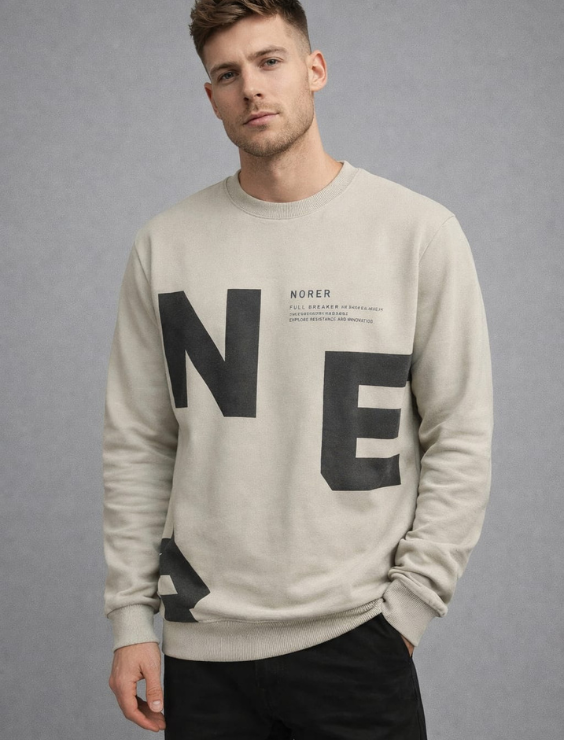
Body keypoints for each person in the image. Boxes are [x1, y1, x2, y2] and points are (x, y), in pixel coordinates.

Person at [103, 1, 494, 738]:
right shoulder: (166, 246)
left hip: (355, 638)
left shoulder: (417, 233)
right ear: (211, 96)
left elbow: (460, 436)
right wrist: (130, 619)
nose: (251, 87)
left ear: (315, 69)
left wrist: (408, 610)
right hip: (202, 651)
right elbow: (141, 443)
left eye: (269, 61)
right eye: (227, 74)